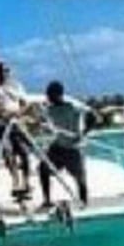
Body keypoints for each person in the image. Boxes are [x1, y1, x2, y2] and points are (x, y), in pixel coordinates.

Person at [38, 80, 92, 208]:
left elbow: (94, 116)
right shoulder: (49, 108)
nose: (48, 98)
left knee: (80, 178)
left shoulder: (73, 106)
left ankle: (84, 203)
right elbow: (41, 120)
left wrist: (83, 133)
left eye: (50, 95)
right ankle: (47, 200)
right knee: (43, 169)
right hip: (58, 146)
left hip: (73, 147)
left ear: (58, 95)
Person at [0, 61, 36, 202]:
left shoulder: (17, 86)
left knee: (24, 152)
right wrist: (2, 115)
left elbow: (25, 103)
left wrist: (17, 114)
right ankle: (15, 181)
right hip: (3, 125)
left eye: (7, 70)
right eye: (2, 70)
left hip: (17, 123)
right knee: (8, 153)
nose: (5, 73)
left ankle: (27, 182)